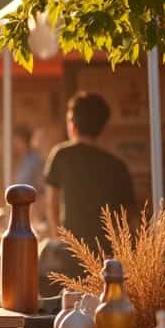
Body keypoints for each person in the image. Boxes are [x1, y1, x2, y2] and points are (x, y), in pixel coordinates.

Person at [44, 92, 137, 268]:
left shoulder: (61, 155)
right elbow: (129, 214)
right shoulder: (117, 166)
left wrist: (59, 238)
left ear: (72, 123)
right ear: (104, 126)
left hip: (71, 249)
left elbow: (52, 203)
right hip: (108, 253)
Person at [12, 125, 46, 193]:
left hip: (31, 199)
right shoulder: (18, 158)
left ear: (24, 140)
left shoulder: (35, 158)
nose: (14, 143)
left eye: (17, 140)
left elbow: (41, 182)